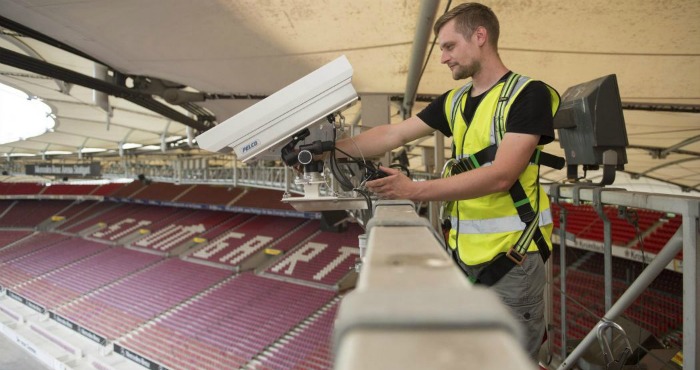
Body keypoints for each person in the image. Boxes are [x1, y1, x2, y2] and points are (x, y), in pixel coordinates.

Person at [334, 2, 560, 361]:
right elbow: (392, 134)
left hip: (513, 261)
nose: (442, 58)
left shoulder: (528, 94)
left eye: (449, 46)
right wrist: (328, 150)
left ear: (480, 36)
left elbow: (502, 175)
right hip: (465, 257)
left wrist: (414, 190)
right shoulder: (454, 101)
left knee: (509, 360)